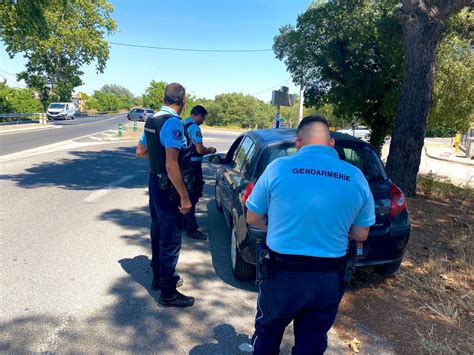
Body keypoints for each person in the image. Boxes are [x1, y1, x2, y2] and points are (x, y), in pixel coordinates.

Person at [245, 115, 375, 354]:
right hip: (328, 276)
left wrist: (274, 230)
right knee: (312, 342)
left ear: (298, 143)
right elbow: (361, 234)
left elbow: (252, 217)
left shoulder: (278, 168)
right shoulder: (355, 176)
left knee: (268, 332)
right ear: (332, 144)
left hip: (281, 273)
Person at [136, 82, 195, 308]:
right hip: (168, 186)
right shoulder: (172, 123)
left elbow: (140, 151)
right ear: (183, 100)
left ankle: (158, 278)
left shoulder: (151, 121)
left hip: (154, 181)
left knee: (157, 230)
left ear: (164, 98)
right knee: (171, 239)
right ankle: (168, 292)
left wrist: (157, 156)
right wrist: (185, 197)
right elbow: (172, 165)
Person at [182, 105, 217, 240]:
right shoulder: (195, 128)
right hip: (193, 166)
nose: (203, 120)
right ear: (199, 115)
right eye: (203, 117)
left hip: (184, 164)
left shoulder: (184, 123)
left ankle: (184, 223)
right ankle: (192, 228)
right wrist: (210, 150)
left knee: (185, 195)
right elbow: (200, 149)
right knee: (192, 196)